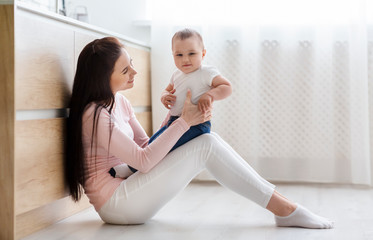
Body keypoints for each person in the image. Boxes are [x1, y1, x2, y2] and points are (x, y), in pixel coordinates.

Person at [65, 36, 334, 228]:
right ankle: (285, 209)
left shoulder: (119, 102)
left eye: (131, 62)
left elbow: (148, 145)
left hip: (131, 190)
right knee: (206, 144)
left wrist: (176, 118)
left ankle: (284, 206)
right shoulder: (95, 114)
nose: (134, 71)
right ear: (103, 78)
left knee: (206, 140)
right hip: (118, 205)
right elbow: (143, 161)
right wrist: (184, 121)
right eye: (125, 70)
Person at [110, 28, 232, 177]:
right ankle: (134, 168)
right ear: (173, 55)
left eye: (192, 54)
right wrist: (164, 96)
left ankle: (130, 170)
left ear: (203, 53)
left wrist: (210, 95)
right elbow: (166, 90)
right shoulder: (177, 74)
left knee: (165, 149)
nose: (185, 59)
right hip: (174, 121)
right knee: (154, 143)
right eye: (179, 55)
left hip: (196, 124)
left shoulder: (206, 72)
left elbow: (227, 87)